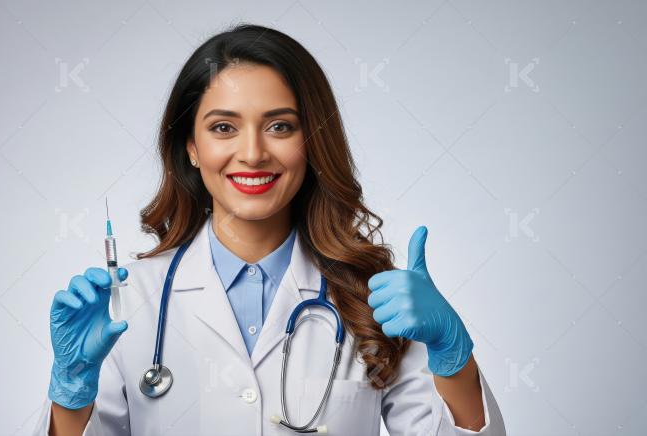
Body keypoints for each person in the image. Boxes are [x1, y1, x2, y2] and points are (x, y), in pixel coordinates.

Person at [34, 23, 505, 435]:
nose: (254, 153)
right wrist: (71, 393)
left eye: (280, 126)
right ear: (191, 147)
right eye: (223, 128)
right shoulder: (129, 303)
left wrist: (453, 356)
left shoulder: (370, 299)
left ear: (312, 142)